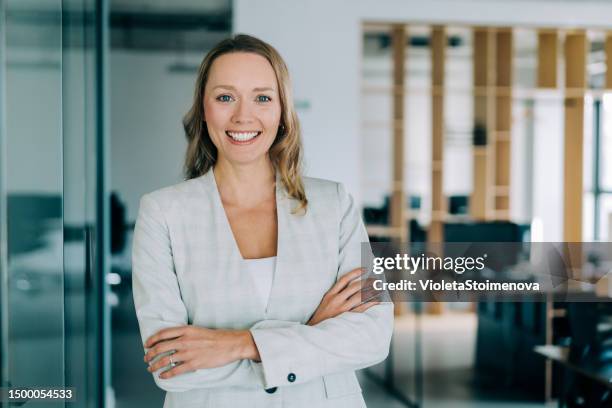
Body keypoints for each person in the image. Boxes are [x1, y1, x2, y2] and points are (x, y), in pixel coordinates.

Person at [131, 34, 393, 408]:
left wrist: (239, 344)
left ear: (282, 111)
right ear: (203, 109)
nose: (243, 116)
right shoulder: (163, 213)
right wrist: (312, 333)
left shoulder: (335, 204)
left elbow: (372, 336)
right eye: (225, 97)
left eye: (262, 97)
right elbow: (170, 363)